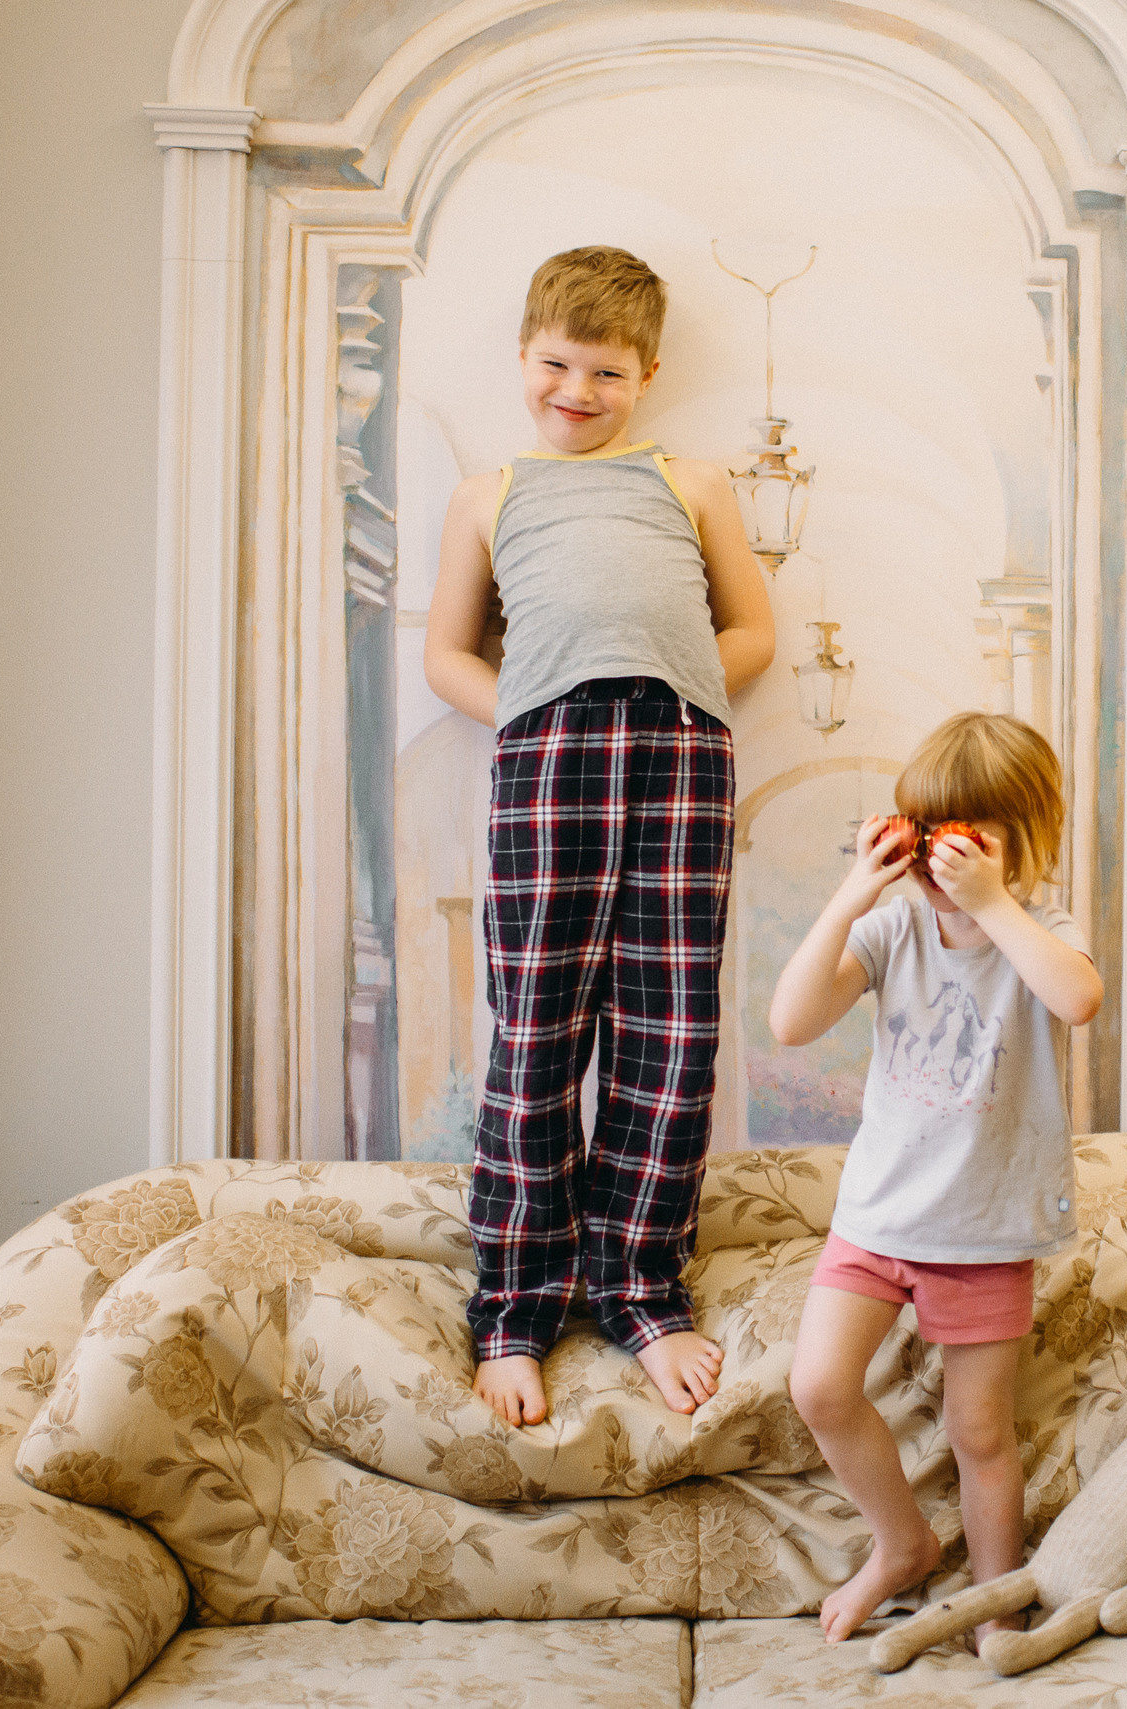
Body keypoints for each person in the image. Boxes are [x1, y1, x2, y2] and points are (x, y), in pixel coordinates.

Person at [424, 245, 776, 1428]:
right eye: (556, 364)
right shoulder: (490, 493)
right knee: (536, 1022)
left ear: (649, 372)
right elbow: (446, 654)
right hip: (544, 757)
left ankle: (640, 1287)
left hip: (680, 751)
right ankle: (514, 1305)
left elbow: (754, 629)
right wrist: (535, 699)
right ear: (523, 358)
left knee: (667, 1025)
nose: (577, 388)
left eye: (606, 370)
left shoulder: (695, 483)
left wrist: (672, 684)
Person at [767, 712, 1104, 1644]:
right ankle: (903, 1544)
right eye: (928, 839)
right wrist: (853, 891)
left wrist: (996, 901)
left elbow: (1077, 997)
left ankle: (995, 1603)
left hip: (987, 1229)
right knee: (822, 1387)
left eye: (970, 842)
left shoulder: (1043, 925)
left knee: (980, 1432)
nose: (941, 866)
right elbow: (790, 1021)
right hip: (877, 1219)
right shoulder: (894, 924)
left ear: (1024, 839)